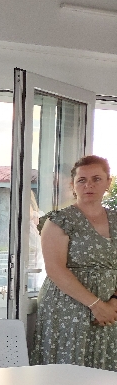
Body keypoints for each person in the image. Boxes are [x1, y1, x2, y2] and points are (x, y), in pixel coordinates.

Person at [33, 155, 117, 369]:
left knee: (104, 374)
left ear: (108, 182)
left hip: (110, 311)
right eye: (82, 180)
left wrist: (113, 304)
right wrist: (96, 305)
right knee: (68, 370)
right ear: (72, 185)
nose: (89, 185)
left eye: (96, 179)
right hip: (67, 308)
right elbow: (55, 270)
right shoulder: (59, 221)